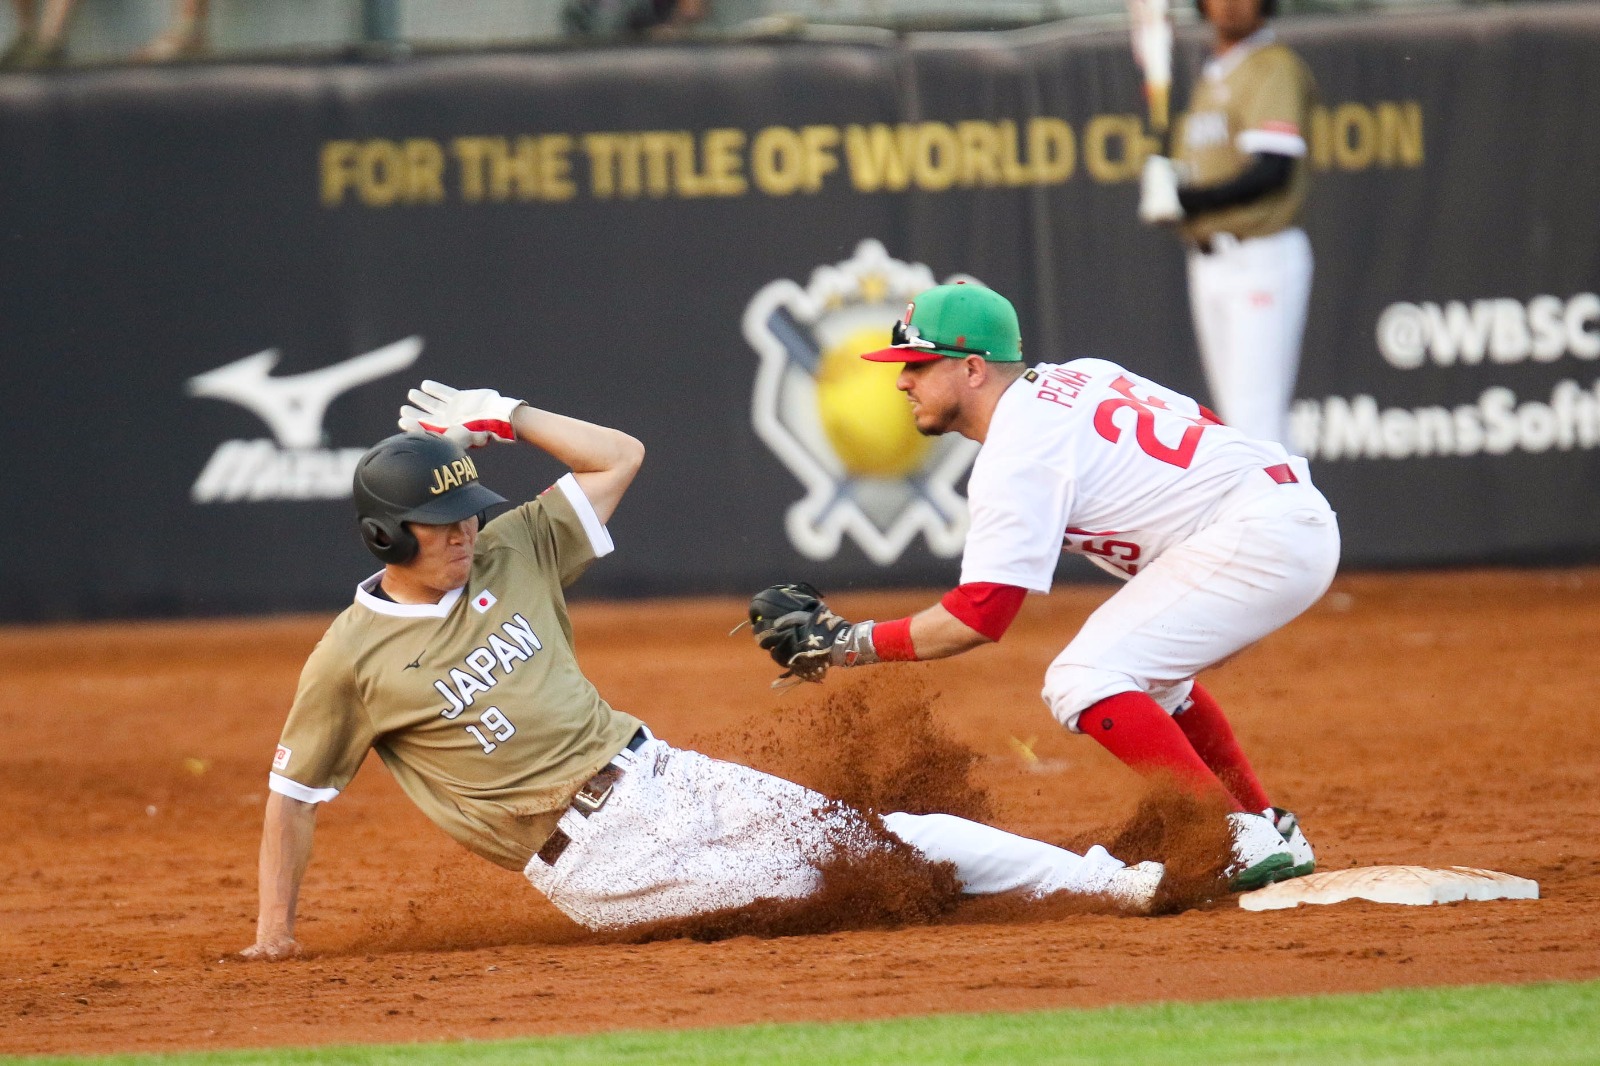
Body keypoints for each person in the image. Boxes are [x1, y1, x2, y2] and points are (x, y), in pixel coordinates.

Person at [240, 380, 1167, 959]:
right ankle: (1067, 895)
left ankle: (1113, 884)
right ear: (382, 536)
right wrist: (273, 937)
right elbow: (294, 794)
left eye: (469, 512)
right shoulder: (349, 660)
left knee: (887, 843)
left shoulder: (509, 550)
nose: (465, 531)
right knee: (832, 885)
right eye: (442, 524)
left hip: (666, 773)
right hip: (596, 860)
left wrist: (507, 416)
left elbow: (621, 457)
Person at [747, 282, 1339, 891]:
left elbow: (979, 617)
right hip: (1277, 511)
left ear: (973, 369)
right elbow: (1204, 432)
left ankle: (1230, 834)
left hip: (1258, 533)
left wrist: (850, 642)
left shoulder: (1018, 454)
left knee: (1082, 678)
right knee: (1144, 678)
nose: (902, 381)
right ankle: (1261, 824)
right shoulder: (1079, 377)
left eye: (919, 365)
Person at [1135, 0, 1317, 447]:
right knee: (1240, 422)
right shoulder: (1212, 71)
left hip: (1259, 253)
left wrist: (1185, 198)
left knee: (1255, 423)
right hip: (1210, 259)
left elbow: (1272, 170)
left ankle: (1280, 518)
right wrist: (1172, 183)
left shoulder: (1272, 66)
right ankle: (1289, 517)